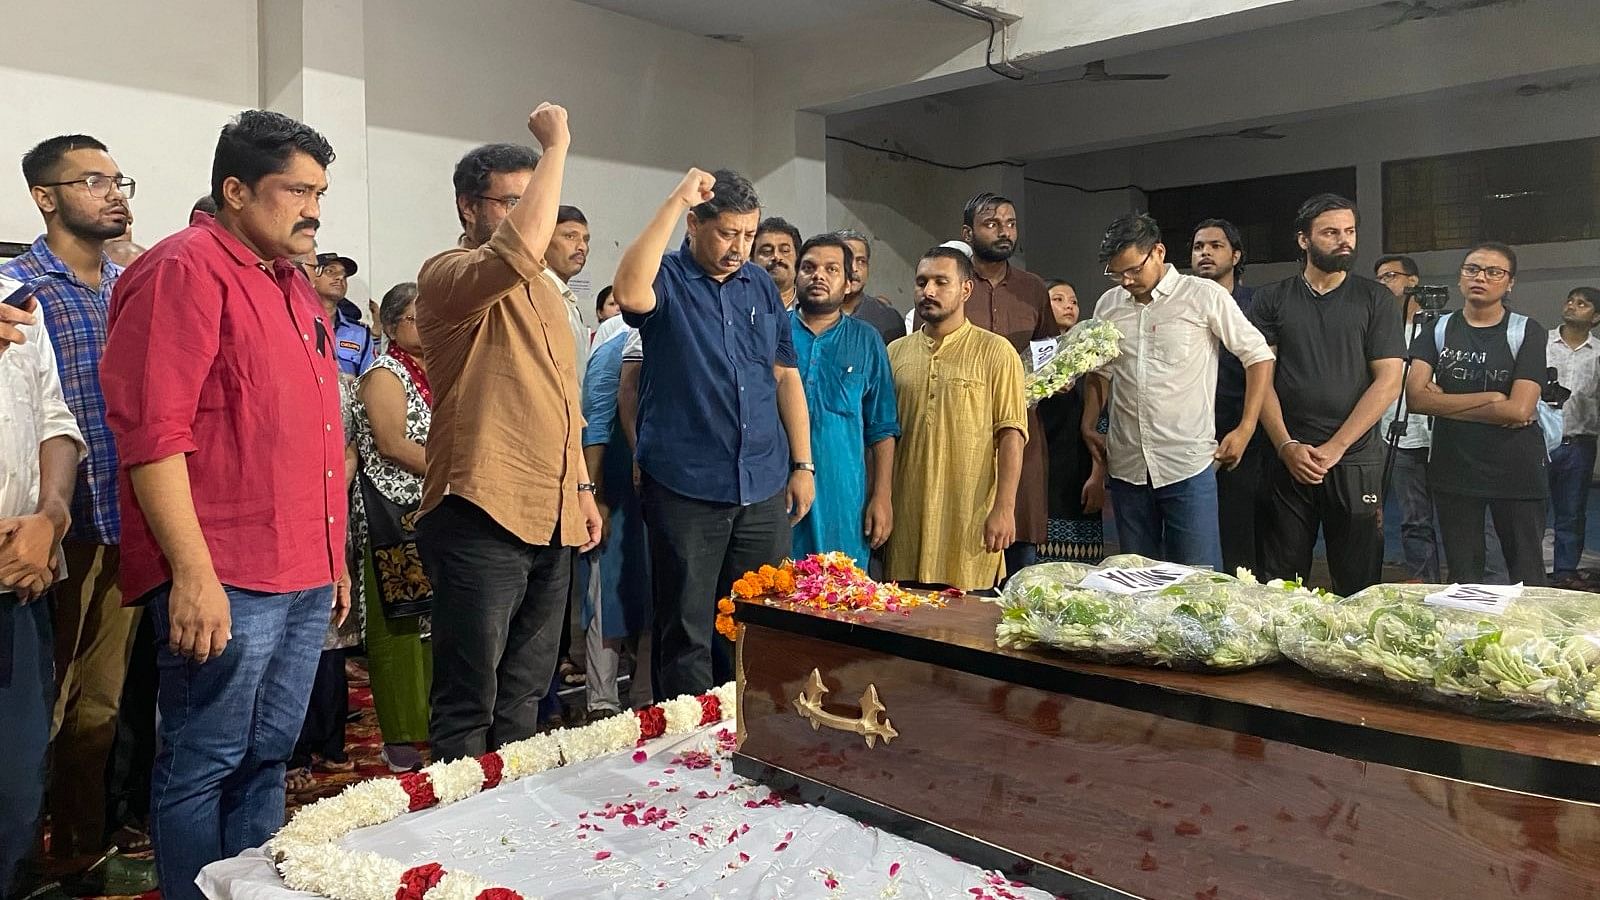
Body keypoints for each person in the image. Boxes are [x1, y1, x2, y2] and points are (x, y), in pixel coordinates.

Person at [98, 109, 349, 900]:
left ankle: (253, 891)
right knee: (204, 758)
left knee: (271, 753)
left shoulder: (291, 285)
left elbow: (310, 437)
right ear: (235, 190)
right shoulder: (184, 268)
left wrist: (333, 562)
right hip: (228, 570)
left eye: (320, 192)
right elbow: (152, 436)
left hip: (303, 565)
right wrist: (193, 575)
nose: (312, 208)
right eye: (295, 190)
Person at [415, 105, 602, 763]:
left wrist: (580, 486)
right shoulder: (447, 276)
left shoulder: (550, 298)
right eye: (514, 202)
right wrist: (558, 144)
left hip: (551, 514)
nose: (535, 218)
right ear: (470, 208)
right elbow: (517, 251)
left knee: (526, 693)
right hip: (481, 510)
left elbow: (566, 401)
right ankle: (452, 839)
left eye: (538, 203)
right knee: (471, 699)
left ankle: (509, 831)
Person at [0, 134, 143, 885]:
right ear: (44, 196)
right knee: (36, 711)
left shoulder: (130, 287)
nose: (113, 193)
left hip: (124, 518)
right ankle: (21, 856)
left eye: (119, 180)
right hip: (45, 532)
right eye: (92, 181)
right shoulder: (17, 288)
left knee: (100, 706)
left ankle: (78, 851)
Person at [613, 168, 813, 699]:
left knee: (760, 619)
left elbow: (784, 375)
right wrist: (676, 198)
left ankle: (753, 731)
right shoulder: (667, 277)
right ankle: (688, 747)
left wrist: (802, 464)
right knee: (686, 627)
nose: (739, 248)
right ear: (693, 225)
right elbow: (628, 290)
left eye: (748, 235)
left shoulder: (761, 288)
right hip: (686, 484)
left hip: (762, 481)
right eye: (727, 233)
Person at [1085, 213, 1274, 569]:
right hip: (1127, 467)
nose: (1125, 281)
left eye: (1132, 270)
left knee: (1198, 582)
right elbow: (1101, 372)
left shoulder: (1203, 296)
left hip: (1186, 465)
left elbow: (1259, 356)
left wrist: (1246, 428)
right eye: (1116, 273)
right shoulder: (1109, 305)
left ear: (1158, 251)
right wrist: (1089, 422)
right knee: (1136, 582)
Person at [1250, 194, 1404, 595]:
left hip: (1354, 459)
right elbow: (1261, 378)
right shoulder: (1270, 299)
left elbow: (1388, 380)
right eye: (1331, 232)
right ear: (1303, 240)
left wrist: (1336, 446)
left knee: (1359, 587)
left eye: (1349, 231)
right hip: (1287, 458)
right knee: (1280, 586)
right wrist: (1285, 445)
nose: (1344, 241)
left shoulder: (1377, 299)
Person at [0, 281, 85, 900]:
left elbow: (54, 418)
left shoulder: (16, 297)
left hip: (19, 577)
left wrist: (50, 520)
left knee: (17, 782)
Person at [884, 246, 1026, 591]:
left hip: (970, 523)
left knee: (966, 629)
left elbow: (1012, 435)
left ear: (966, 289)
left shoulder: (996, 352)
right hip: (906, 523)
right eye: (921, 282)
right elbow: (883, 437)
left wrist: (1004, 509)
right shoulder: (894, 353)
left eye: (940, 282)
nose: (928, 291)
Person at [1405, 244, 1547, 585]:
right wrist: (1493, 398)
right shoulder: (1437, 329)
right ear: (1460, 278)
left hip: (1516, 470)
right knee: (1463, 574)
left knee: (1526, 573)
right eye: (1472, 269)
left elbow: (1521, 408)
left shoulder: (1527, 331)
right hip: (1455, 469)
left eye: (1494, 272)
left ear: (1510, 283)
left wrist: (1448, 403)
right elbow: (1415, 399)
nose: (1481, 277)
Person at [352, 282, 434, 772]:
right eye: (419, 318)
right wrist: (452, 471)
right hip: (391, 515)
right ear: (394, 326)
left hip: (432, 514)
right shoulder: (385, 373)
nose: (429, 326)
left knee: (432, 623)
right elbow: (391, 443)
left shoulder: (434, 370)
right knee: (399, 622)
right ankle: (403, 737)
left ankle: (433, 722)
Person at [959, 192, 1056, 576]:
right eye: (992, 223)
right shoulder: (954, 281)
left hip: (1022, 430)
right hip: (965, 428)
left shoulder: (1032, 288)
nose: (1004, 231)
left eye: (1010, 224)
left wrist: (1055, 376)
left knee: (1020, 551)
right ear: (968, 232)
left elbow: (1048, 348)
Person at [789, 234, 900, 566]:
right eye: (808, 267)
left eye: (831, 269)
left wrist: (882, 496)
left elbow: (882, 426)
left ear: (850, 282)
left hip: (844, 492)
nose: (818, 276)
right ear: (796, 276)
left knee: (843, 594)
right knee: (775, 594)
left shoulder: (866, 340)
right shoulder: (773, 332)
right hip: (778, 488)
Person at [578, 320, 652, 718]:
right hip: (616, 488)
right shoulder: (614, 349)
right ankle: (602, 702)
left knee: (655, 595)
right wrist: (596, 496)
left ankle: (648, 700)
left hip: (665, 494)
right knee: (608, 594)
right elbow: (596, 425)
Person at [1193, 219, 1271, 575]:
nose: (1205, 252)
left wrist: (1246, 427)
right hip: (1191, 435)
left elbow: (1268, 366)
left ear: (1236, 255)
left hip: (1245, 432)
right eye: (1198, 247)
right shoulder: (1183, 301)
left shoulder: (1257, 304)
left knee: (1243, 537)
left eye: (1215, 245)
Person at [1373, 254, 1443, 582]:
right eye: (1380, 278)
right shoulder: (1379, 328)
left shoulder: (1440, 327)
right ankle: (1423, 583)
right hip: (1397, 434)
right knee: (1414, 519)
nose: (1384, 283)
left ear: (1412, 281)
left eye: (1390, 276)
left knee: (1461, 520)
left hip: (1443, 437)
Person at [1037, 280, 1105, 563]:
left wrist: (1098, 475)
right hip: (1039, 470)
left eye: (1074, 301)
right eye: (1058, 299)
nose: (1069, 306)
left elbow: (1102, 421)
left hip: (1078, 474)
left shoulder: (1092, 358)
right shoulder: (1031, 357)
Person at [1545, 287, 1600, 582]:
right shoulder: (1541, 344)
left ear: (1596, 317)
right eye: (1570, 300)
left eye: (1582, 304)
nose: (1572, 306)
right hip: (1537, 441)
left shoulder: (1599, 354)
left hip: (1579, 442)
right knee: (1531, 510)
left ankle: (1565, 574)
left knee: (1572, 513)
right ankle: (1526, 570)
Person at [546, 205, 593, 388]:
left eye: (586, 239)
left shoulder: (569, 302)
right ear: (544, 238)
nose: (581, 246)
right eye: (569, 236)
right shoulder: (534, 295)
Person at [835, 229, 909, 346]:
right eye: (847, 259)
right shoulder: (808, 315)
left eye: (861, 261)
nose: (854, 268)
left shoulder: (889, 319)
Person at [308, 251, 375, 377]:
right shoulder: (297, 323)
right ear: (312, 277)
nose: (340, 278)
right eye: (330, 271)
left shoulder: (359, 333)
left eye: (344, 276)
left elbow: (370, 379)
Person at [754, 216, 801, 311]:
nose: (776, 256)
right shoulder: (737, 307)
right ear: (751, 260)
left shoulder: (813, 307)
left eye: (785, 250)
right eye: (766, 251)